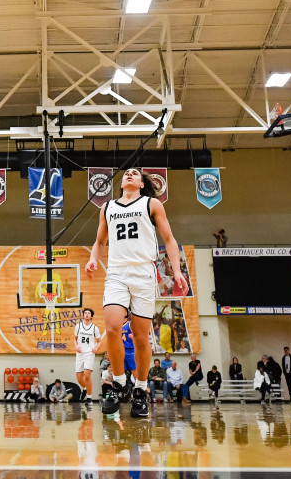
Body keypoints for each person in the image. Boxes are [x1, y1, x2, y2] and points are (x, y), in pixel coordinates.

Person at [86, 168, 187, 420]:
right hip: (117, 272)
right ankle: (119, 383)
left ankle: (140, 391)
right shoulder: (107, 207)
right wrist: (92, 260)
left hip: (143, 272)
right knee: (111, 327)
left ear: (142, 184)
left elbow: (169, 239)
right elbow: (100, 242)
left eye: (135, 174)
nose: (130, 175)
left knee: (141, 338)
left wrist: (177, 271)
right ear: (121, 183)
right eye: (127, 173)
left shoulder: (151, 204)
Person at [73, 308, 102, 403]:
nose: (86, 314)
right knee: (79, 377)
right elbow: (74, 339)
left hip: (89, 353)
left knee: (87, 374)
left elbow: (99, 341)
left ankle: (89, 398)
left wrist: (96, 348)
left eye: (88, 313)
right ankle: (85, 389)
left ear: (91, 316)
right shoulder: (78, 326)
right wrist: (76, 346)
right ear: (83, 315)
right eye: (85, 313)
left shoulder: (95, 328)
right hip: (80, 353)